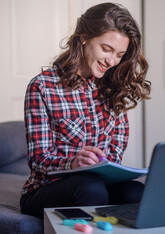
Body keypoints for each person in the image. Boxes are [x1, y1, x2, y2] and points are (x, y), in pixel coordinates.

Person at [20, 2, 151, 218]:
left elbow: (115, 151)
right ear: (84, 37)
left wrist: (108, 166)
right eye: (106, 49)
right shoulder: (43, 86)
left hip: (97, 184)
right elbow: (38, 159)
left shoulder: (113, 87)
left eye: (119, 54)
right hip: (46, 188)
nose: (111, 61)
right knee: (90, 187)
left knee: (136, 192)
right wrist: (73, 163)